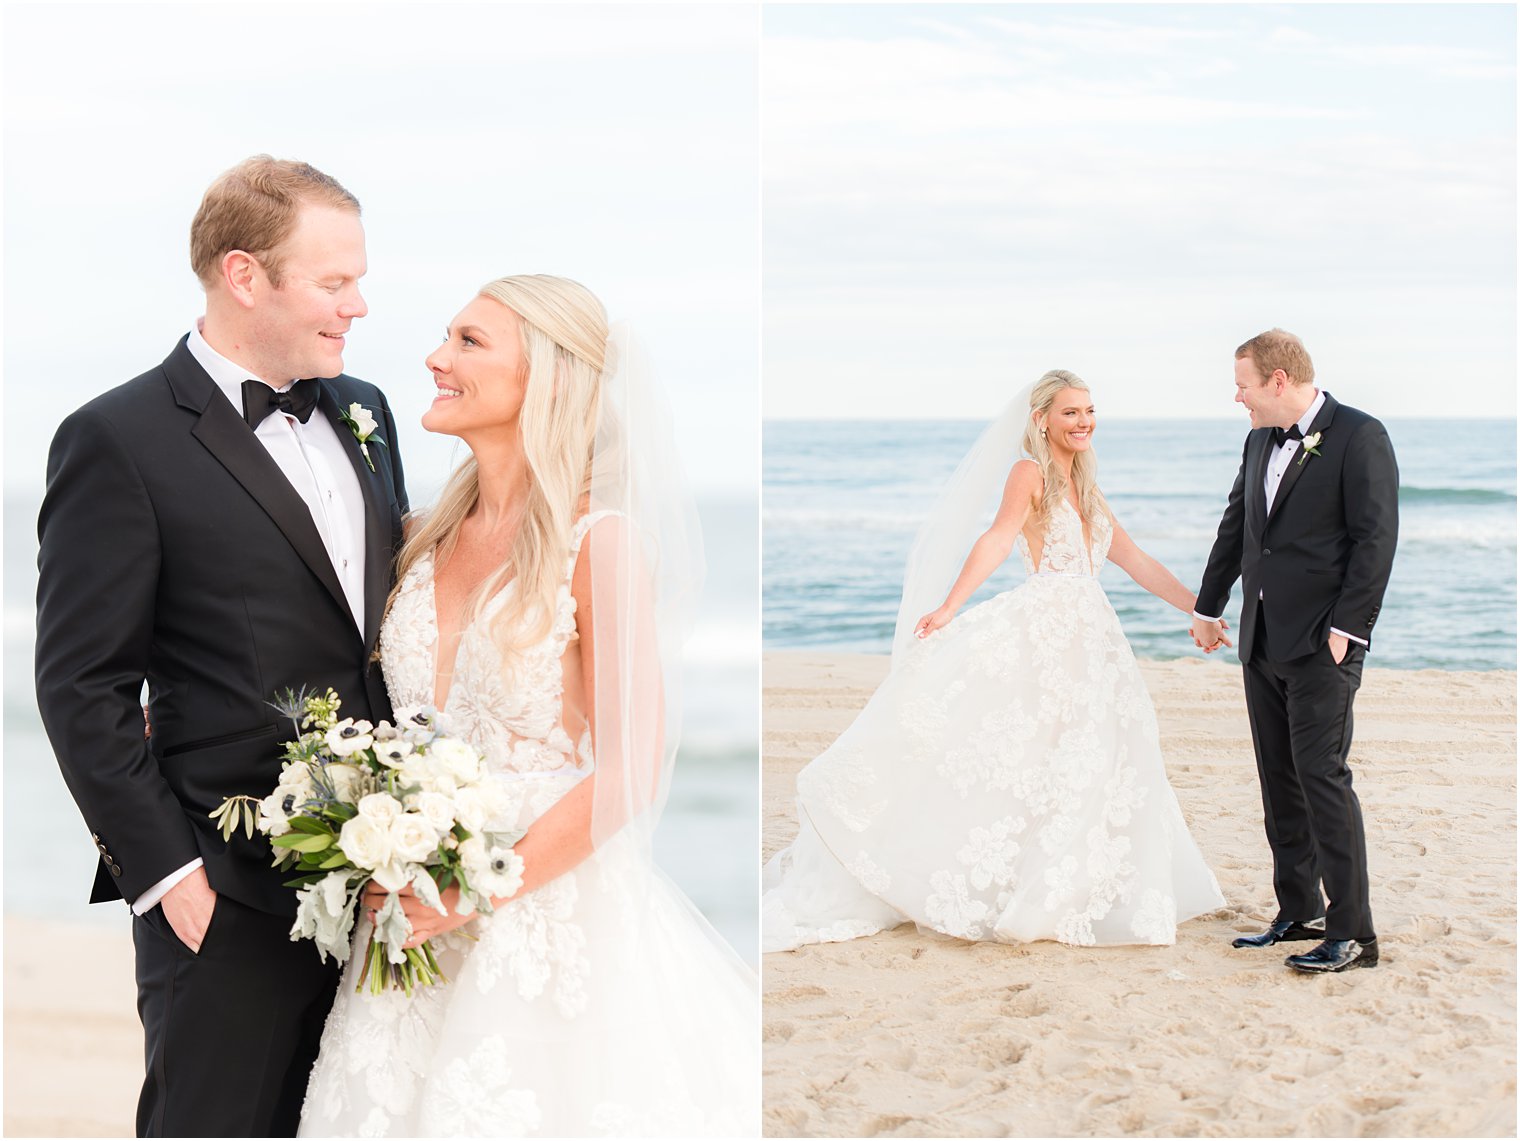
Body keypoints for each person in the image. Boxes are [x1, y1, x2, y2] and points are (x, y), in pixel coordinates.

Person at [297, 275, 757, 1137]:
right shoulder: (420, 535)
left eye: (469, 342)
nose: (436, 357)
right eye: (446, 338)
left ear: (545, 374)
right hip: (405, 920)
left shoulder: (601, 541)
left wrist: (469, 894)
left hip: (541, 919)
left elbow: (629, 770)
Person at [35, 156, 408, 1136]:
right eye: (334, 282)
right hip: (226, 891)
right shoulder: (116, 438)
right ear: (246, 276)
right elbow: (82, 684)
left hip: (381, 873)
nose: (359, 304)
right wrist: (167, 876)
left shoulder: (363, 410)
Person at [762, 370, 1224, 952]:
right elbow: (999, 538)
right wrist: (952, 605)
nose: (1084, 422)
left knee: (1094, 757)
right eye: (1070, 413)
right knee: (1025, 752)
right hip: (1048, 630)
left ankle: (1070, 887)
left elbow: (1131, 556)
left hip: (1095, 638)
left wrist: (1201, 610)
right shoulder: (1028, 473)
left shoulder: (1087, 482)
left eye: (1089, 411)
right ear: (1042, 420)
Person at [1191, 329, 1398, 974]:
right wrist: (1209, 606)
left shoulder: (1360, 436)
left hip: (1323, 644)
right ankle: (1298, 910)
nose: (1237, 397)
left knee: (1323, 779)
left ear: (1278, 381)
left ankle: (1353, 933)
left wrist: (1350, 627)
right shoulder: (1258, 440)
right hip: (1261, 638)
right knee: (1279, 779)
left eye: (1244, 384)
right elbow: (1238, 526)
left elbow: (1375, 538)